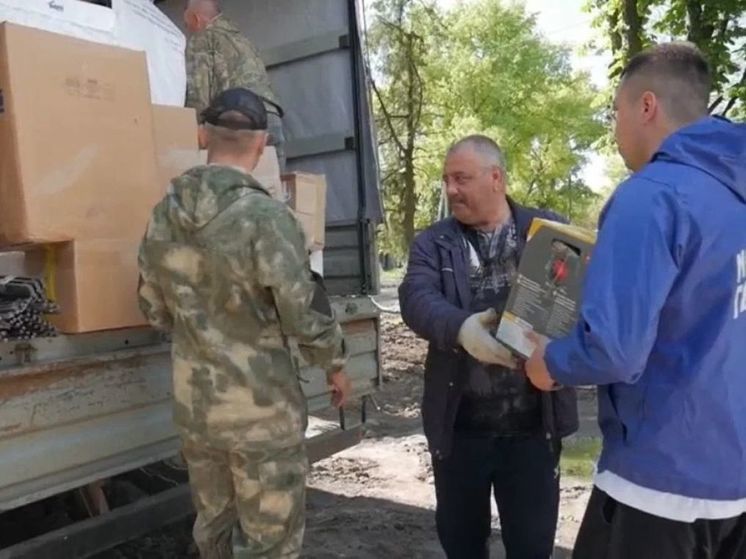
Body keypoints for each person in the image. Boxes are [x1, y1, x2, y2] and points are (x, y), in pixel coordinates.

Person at [525, 42, 746, 559]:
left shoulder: (650, 196)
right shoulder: (734, 196)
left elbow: (615, 351)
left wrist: (549, 362)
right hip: (734, 478)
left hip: (659, 486)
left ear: (646, 106)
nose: (615, 126)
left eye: (616, 111)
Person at [138, 87, 351, 559]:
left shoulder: (162, 217)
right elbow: (302, 308)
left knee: (212, 533)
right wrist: (334, 364)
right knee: (269, 543)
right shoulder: (268, 218)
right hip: (262, 416)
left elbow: (152, 308)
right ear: (261, 145)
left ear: (201, 136)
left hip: (198, 411)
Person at [398, 135, 579, 559]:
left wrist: (563, 353)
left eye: (461, 178)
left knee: (532, 547)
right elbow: (416, 298)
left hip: (534, 431)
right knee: (461, 545)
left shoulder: (548, 233)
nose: (451, 189)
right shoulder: (434, 243)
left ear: (496, 178)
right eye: (446, 179)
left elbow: (575, 308)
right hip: (460, 431)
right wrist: (462, 329)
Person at [183, 0, 287, 170]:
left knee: (232, 192)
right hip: (271, 120)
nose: (188, 32)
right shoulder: (241, 38)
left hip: (239, 123)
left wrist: (191, 140)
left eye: (187, 26)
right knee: (273, 189)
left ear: (196, 19)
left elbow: (198, 98)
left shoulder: (202, 38)